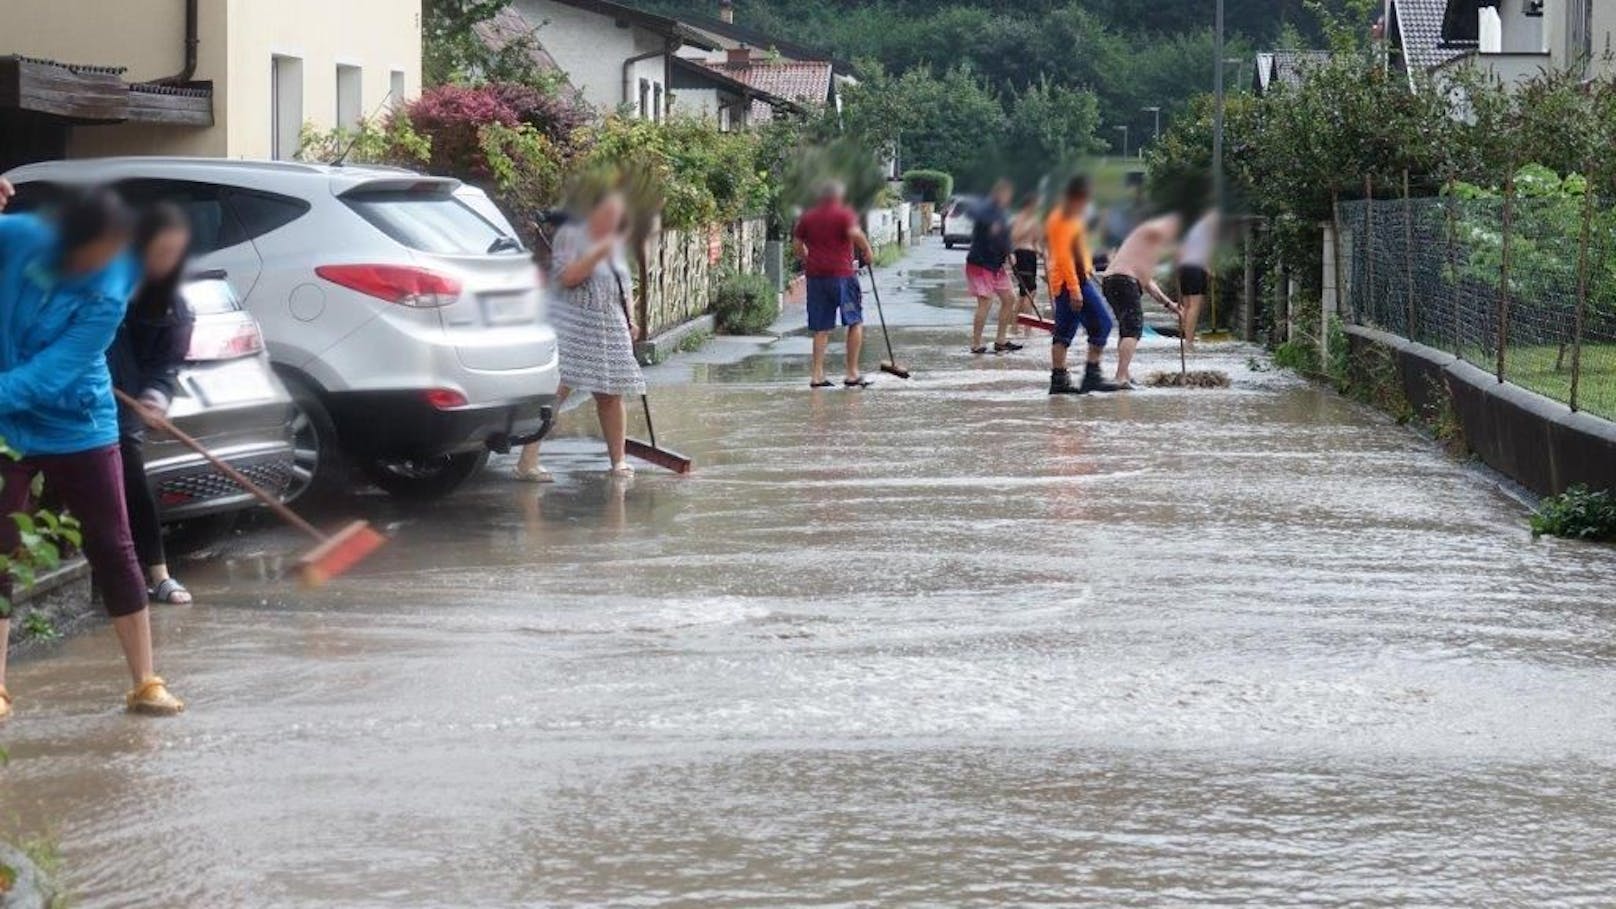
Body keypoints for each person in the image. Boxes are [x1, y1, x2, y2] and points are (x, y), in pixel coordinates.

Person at [0, 180, 185, 719]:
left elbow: (48, 376)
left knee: (112, 543)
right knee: (1, 545)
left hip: (77, 420)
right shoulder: (22, 236)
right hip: (8, 424)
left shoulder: (111, 286)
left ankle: (144, 681)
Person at [515, 189, 646, 481]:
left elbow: (623, 283)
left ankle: (618, 462)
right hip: (575, 322)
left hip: (610, 323)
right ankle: (528, 460)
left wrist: (631, 319)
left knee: (611, 394)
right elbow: (568, 277)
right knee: (557, 391)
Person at [110, 203, 196, 606]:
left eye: (174, 253)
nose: (165, 261)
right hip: (71, 394)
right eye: (159, 250)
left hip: (123, 408)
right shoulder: (102, 281)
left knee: (130, 475)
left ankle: (158, 574)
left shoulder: (174, 307)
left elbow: (166, 365)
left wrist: (154, 399)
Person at [793, 180, 875, 388]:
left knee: (821, 327)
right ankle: (851, 373)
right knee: (854, 321)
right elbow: (854, 234)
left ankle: (817, 375)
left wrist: (807, 258)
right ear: (838, 196)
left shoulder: (808, 216)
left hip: (816, 277)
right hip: (842, 275)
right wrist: (866, 250)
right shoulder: (844, 214)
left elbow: (797, 244)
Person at [1044, 176, 1118, 396]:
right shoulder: (1063, 218)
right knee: (1099, 325)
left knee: (1068, 331)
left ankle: (1062, 380)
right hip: (1071, 282)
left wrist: (1088, 268)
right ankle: (1088, 376)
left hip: (1074, 279)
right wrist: (1075, 288)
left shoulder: (1070, 216)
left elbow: (1077, 250)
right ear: (1078, 197)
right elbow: (1065, 257)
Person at [1100, 213, 1184, 388]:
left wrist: (1171, 305)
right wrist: (1170, 305)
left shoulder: (1136, 238)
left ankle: (1125, 374)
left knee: (1126, 328)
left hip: (1109, 281)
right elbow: (1148, 284)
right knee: (1133, 329)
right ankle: (1121, 377)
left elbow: (1146, 279)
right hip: (1124, 281)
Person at [965, 180, 1022, 355]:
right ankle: (976, 343)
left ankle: (1001, 340)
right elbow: (992, 232)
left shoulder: (1001, 212)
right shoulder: (985, 210)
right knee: (986, 301)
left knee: (1010, 298)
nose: (1008, 198)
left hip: (996, 264)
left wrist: (1010, 251)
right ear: (998, 194)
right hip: (981, 263)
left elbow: (1004, 236)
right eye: (1006, 195)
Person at [1175, 210, 1218, 352]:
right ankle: (1189, 342)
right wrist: (1208, 269)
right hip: (1195, 269)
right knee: (1194, 306)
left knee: (1187, 306)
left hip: (1184, 269)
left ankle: (1186, 338)